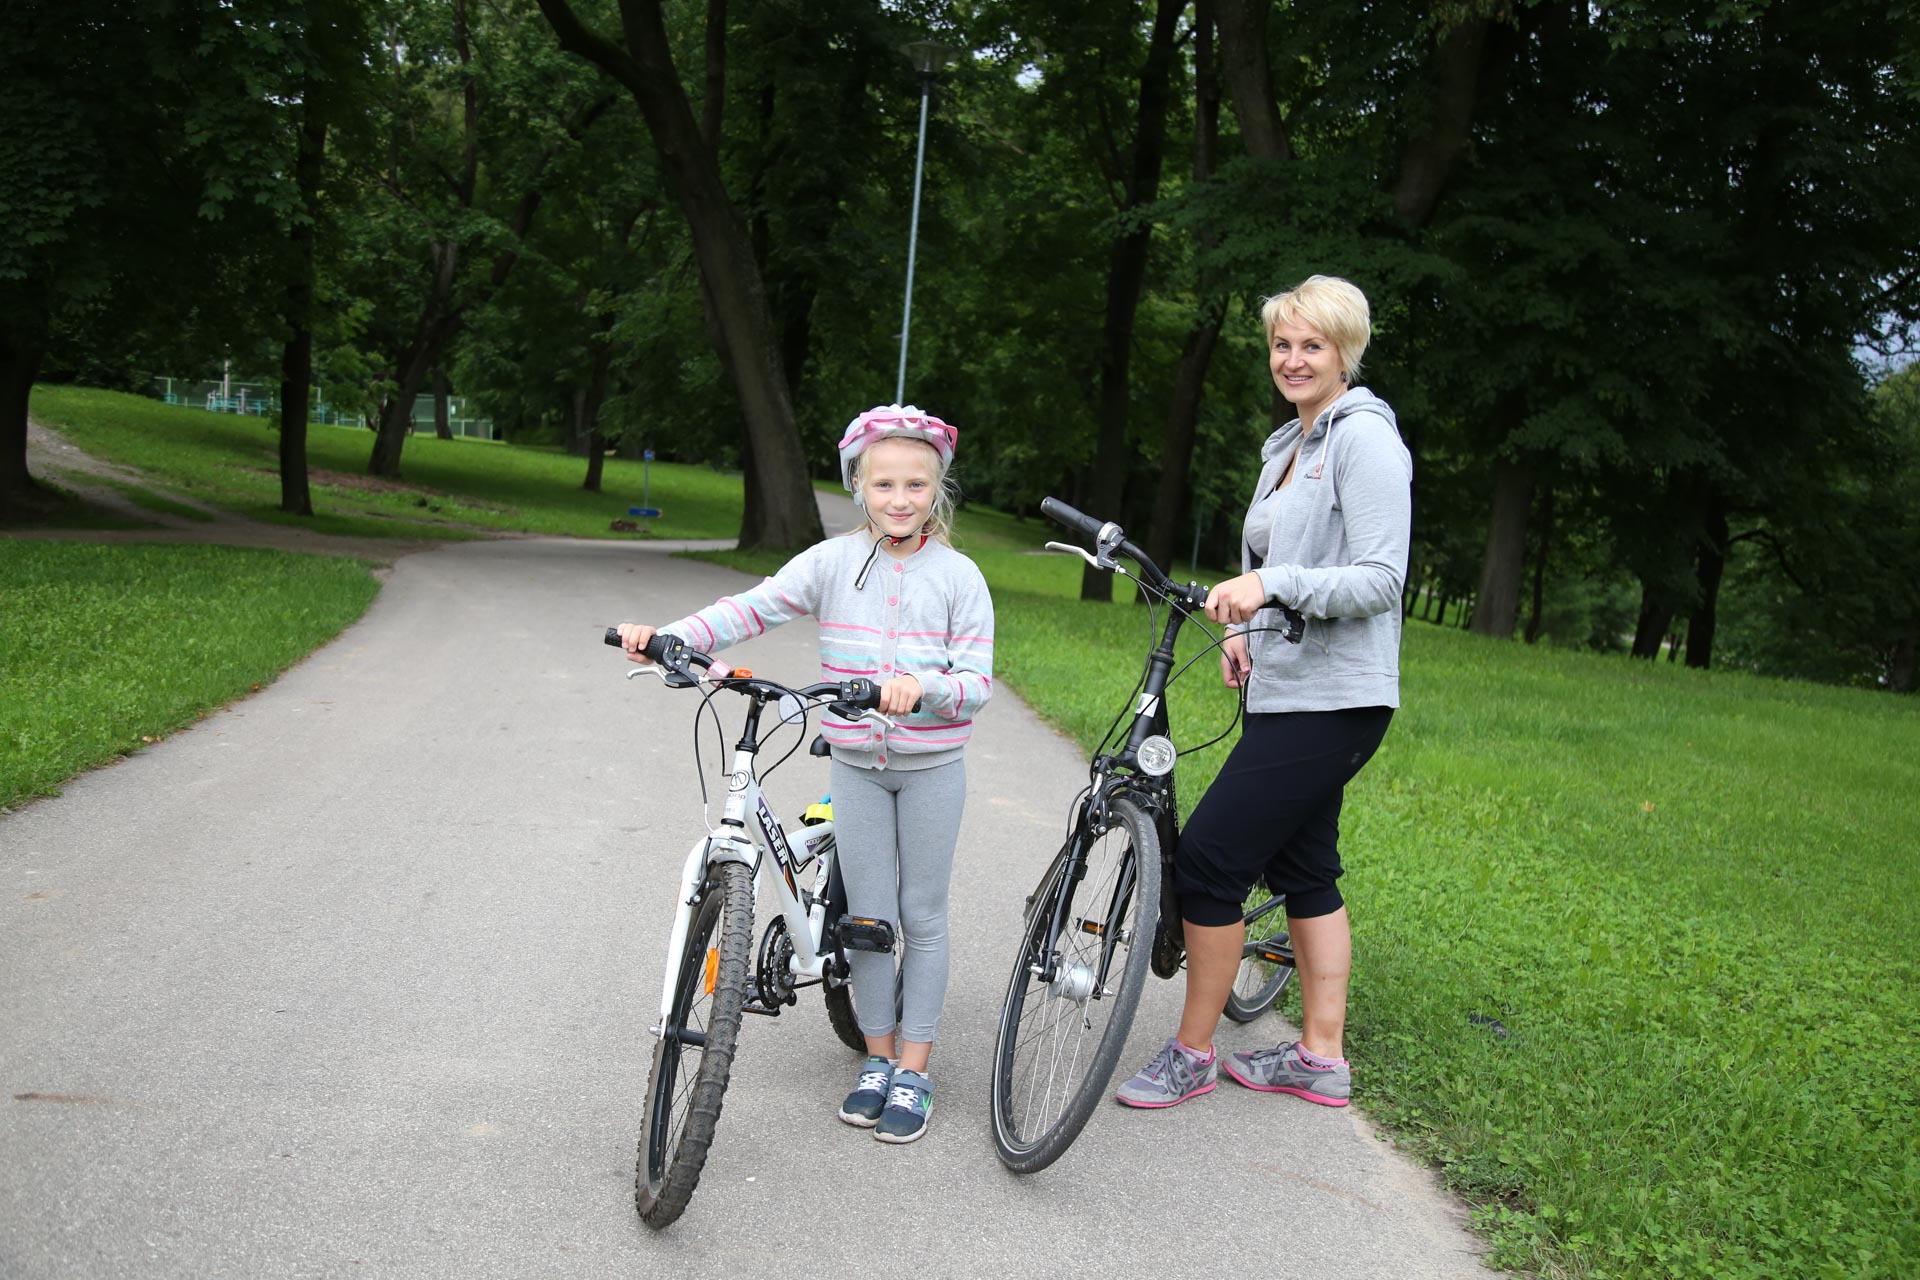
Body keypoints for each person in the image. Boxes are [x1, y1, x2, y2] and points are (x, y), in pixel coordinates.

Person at [615, 404, 993, 1145]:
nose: (900, 499)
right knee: (869, 922)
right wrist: (669, 637)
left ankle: (915, 1068)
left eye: (916, 484)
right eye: (884, 483)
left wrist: (930, 689)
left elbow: (977, 679)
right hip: (855, 764)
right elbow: (751, 609)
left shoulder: (959, 576)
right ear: (859, 484)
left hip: (930, 767)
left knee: (921, 915)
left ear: (936, 489)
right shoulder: (830, 564)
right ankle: (877, 1060)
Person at [1114, 275, 1411, 1111]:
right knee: (1304, 864)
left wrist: (1272, 585)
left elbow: (1380, 579)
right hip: (1288, 689)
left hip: (1340, 697)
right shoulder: (1288, 446)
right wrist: (1244, 625)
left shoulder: (1365, 442)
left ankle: (1191, 1052)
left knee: (1209, 862)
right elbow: (1266, 566)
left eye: (1312, 344)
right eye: (1283, 344)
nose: (1293, 359)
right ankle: (1320, 1058)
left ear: (1345, 351)